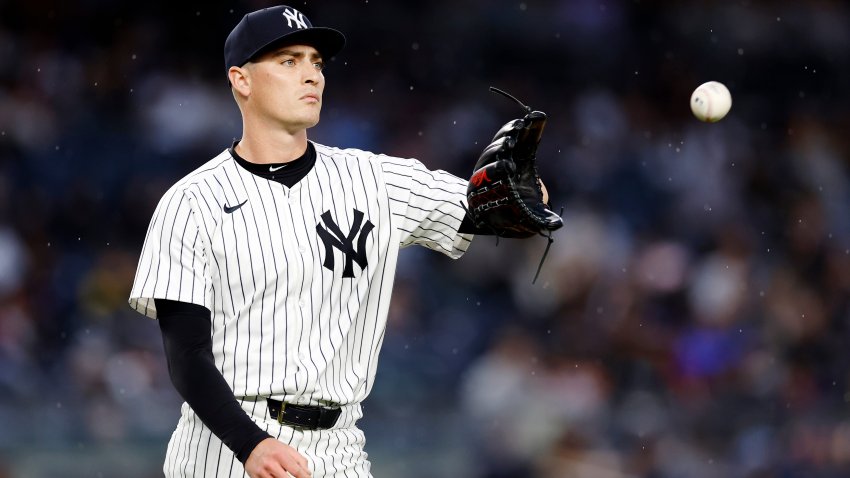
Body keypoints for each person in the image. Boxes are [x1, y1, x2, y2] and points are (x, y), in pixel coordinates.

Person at [128, 5, 554, 477]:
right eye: (288, 61)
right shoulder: (191, 201)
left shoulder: (376, 180)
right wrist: (249, 444)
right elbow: (186, 356)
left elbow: (491, 205)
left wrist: (524, 193)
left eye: (316, 62)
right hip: (223, 447)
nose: (310, 74)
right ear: (241, 80)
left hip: (339, 448)